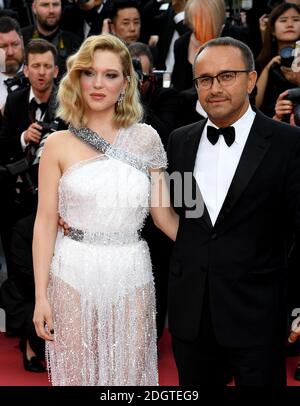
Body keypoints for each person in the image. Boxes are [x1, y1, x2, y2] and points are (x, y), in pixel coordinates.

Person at [32, 33, 178, 386]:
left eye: (111, 75)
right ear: (76, 78)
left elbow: (165, 218)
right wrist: (40, 296)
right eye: (89, 73)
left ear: (126, 83)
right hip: (72, 271)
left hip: (132, 270)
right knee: (77, 376)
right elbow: (45, 222)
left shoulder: (147, 139)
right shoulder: (57, 144)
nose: (98, 84)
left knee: (129, 376)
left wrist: (219, 247)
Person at [167, 36, 300, 386]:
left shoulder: (288, 142)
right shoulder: (180, 140)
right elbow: (187, 214)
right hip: (191, 316)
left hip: (257, 311)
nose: (215, 88)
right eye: (205, 79)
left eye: (227, 76)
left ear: (251, 80)